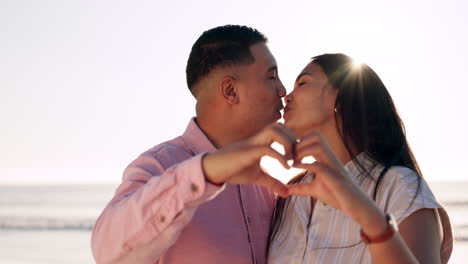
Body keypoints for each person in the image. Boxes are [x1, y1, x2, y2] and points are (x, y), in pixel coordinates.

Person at [91, 25, 299, 264]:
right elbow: (106, 251)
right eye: (272, 76)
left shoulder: (265, 187)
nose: (283, 90)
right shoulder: (159, 165)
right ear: (231, 91)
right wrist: (206, 172)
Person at [267, 53, 453, 263]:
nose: (287, 96)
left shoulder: (399, 187)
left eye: (302, 83)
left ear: (342, 97)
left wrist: (368, 218)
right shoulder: (289, 198)